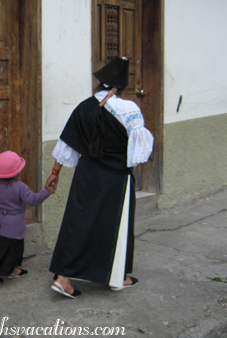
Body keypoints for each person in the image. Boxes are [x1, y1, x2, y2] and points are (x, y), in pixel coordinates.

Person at [45, 56, 154, 298]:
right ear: (122, 86)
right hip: (115, 180)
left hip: (86, 175)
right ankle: (118, 277)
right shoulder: (129, 109)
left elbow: (67, 143)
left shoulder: (84, 106)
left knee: (79, 223)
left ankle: (64, 277)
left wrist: (55, 174)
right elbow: (139, 150)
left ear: (100, 83)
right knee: (115, 225)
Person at [0, 151, 55, 284]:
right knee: (13, 250)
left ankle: (4, 269)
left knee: (0, 247)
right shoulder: (20, 187)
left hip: (0, 222)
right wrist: (47, 191)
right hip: (15, 224)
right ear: (17, 172)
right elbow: (33, 200)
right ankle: (3, 272)